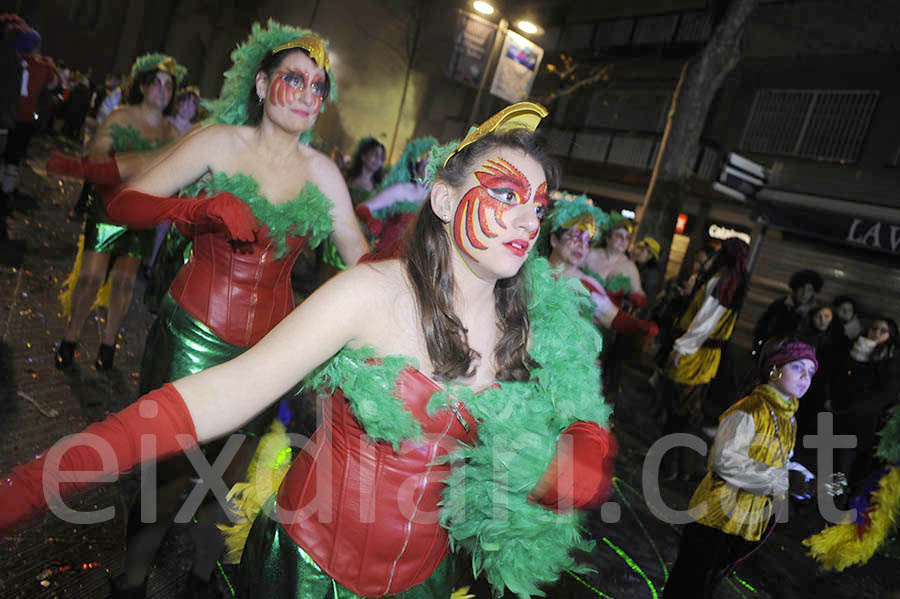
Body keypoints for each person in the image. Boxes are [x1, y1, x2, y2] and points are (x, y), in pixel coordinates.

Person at [0, 101, 616, 599]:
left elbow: (574, 413)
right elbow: (224, 392)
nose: (528, 222)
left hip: (426, 584)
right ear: (446, 200)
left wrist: (583, 448)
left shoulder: (538, 327)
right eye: (506, 195)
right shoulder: (369, 295)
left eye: (537, 206)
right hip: (307, 574)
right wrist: (47, 477)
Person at [99, 22, 369, 596]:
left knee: (225, 485)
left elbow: (360, 262)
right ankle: (131, 582)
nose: (305, 94)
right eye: (293, 79)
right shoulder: (218, 143)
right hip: (191, 340)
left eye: (318, 86)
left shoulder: (324, 173)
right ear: (264, 83)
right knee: (168, 482)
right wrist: (198, 211)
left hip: (268, 356)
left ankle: (200, 580)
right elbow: (123, 203)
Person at [51, 53, 185, 371]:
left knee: (125, 282)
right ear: (142, 85)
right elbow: (96, 155)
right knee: (91, 276)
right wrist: (118, 166)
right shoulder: (121, 117)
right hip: (109, 207)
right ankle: (70, 338)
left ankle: (108, 344)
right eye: (157, 83)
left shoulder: (171, 134)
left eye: (169, 86)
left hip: (143, 216)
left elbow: (180, 171)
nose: (162, 91)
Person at [663, 339, 818, 599]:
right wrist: (782, 480)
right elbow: (725, 463)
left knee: (709, 586)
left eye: (811, 372)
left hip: (746, 523)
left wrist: (806, 479)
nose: (805, 377)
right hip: (715, 521)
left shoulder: (788, 416)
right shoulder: (750, 409)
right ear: (774, 370)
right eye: (798, 367)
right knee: (689, 586)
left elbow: (780, 461)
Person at [661, 238, 749, 481]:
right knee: (688, 414)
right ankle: (681, 467)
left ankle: (671, 466)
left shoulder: (722, 282)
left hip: (695, 354)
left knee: (679, 412)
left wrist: (681, 348)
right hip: (707, 356)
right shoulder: (733, 283)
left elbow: (704, 323)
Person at [544, 194, 658, 338]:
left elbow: (610, 316)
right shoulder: (527, 272)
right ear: (554, 239)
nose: (581, 246)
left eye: (587, 241)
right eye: (575, 236)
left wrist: (639, 326)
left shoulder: (588, 285)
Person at [829, 317, 900, 491]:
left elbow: (884, 394)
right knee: (837, 464)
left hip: (866, 423)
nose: (876, 332)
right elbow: (840, 378)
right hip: (843, 417)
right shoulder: (855, 349)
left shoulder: (890, 359)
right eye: (874, 327)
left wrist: (849, 406)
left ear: (890, 335)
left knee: (852, 468)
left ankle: (842, 505)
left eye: (883, 330)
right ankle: (832, 501)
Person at [354, 136, 436, 258]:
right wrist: (371, 222)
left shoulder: (436, 199)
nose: (432, 171)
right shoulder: (401, 190)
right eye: (428, 166)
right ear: (415, 169)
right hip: (385, 258)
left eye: (435, 166)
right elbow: (362, 207)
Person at [752, 268, 823, 357]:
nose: (804, 293)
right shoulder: (780, 304)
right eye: (802, 288)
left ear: (814, 292)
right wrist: (759, 349)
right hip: (770, 355)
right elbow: (762, 326)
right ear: (795, 288)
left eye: (809, 290)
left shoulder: (816, 313)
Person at [345, 135, 385, 205]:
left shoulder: (379, 188)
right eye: (375, 154)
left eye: (381, 157)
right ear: (363, 156)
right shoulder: (346, 178)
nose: (378, 160)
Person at [631, 236, 662, 310]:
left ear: (650, 255)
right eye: (639, 248)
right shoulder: (638, 265)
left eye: (642, 250)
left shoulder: (653, 274)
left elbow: (647, 299)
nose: (638, 252)